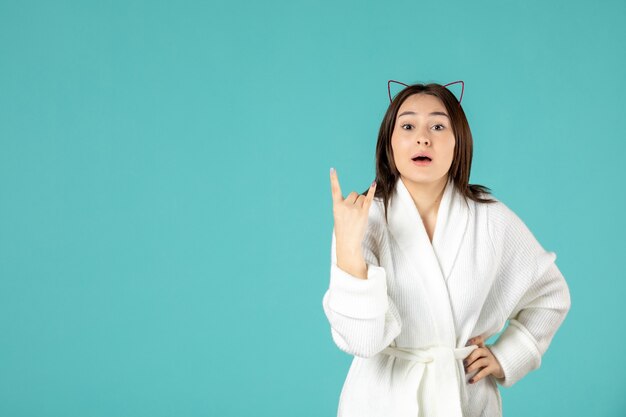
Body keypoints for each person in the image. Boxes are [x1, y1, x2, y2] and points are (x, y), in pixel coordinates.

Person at [322, 81, 571, 417]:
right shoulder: (364, 220)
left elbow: (550, 295)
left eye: (438, 126)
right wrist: (349, 248)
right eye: (408, 126)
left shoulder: (492, 219)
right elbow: (362, 342)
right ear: (389, 143)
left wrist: (507, 356)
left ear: (459, 143)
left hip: (463, 398)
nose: (423, 137)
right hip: (381, 401)